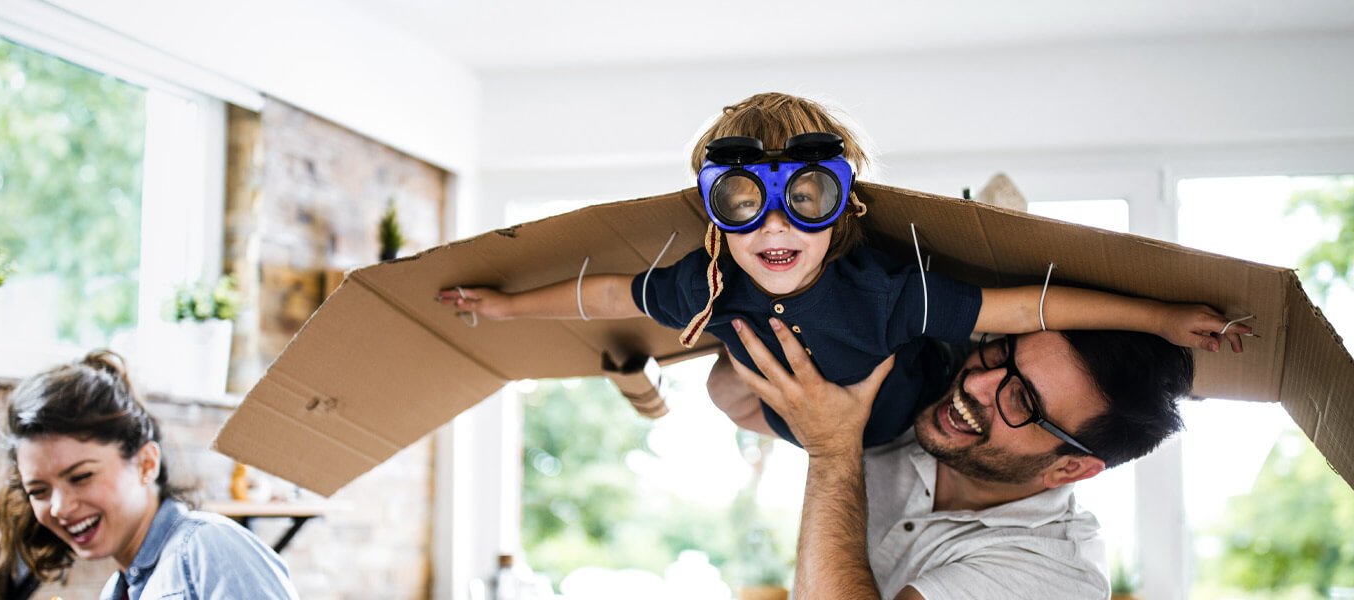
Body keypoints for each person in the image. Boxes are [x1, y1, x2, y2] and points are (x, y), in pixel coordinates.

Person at [438, 92, 1246, 449]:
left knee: (741, 379)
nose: (777, 226)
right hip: (784, 423)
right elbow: (610, 290)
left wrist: (1160, 317)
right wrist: (506, 308)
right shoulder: (711, 279)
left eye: (809, 196)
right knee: (723, 389)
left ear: (845, 208)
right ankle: (683, 395)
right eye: (745, 200)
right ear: (715, 208)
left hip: (896, 428)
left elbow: (1027, 308)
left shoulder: (890, 291)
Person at [715, 315, 1195, 599]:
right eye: (1000, 354)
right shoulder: (921, 405)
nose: (976, 383)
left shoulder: (1057, 577)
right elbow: (731, 396)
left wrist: (832, 449)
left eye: (1022, 401)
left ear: (1069, 467)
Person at [0, 350, 299, 600]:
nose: (59, 507)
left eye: (81, 476)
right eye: (39, 491)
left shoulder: (208, 547)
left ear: (145, 463)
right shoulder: (120, 588)